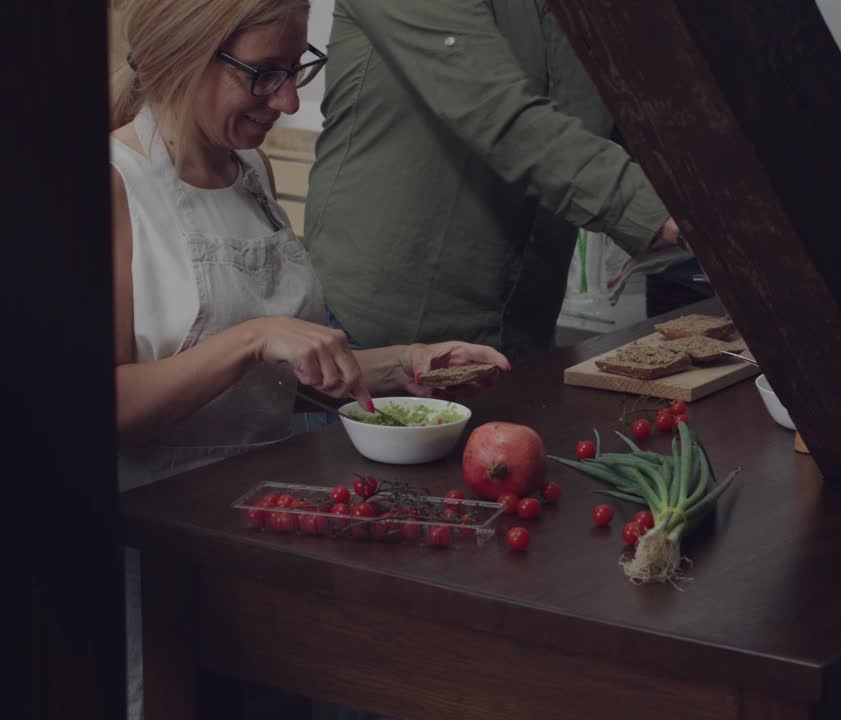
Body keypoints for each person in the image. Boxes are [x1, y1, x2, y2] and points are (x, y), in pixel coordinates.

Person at [109, 1, 508, 715]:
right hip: (156, 559)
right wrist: (254, 336)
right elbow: (104, 411)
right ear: (184, 53)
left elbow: (277, 375)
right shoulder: (110, 185)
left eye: (296, 72)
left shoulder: (249, 173)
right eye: (264, 75)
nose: (289, 102)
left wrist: (407, 363)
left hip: (265, 534)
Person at [304, 0, 685, 360]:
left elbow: (643, 121)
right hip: (375, 334)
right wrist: (685, 220)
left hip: (520, 330)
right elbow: (499, 114)